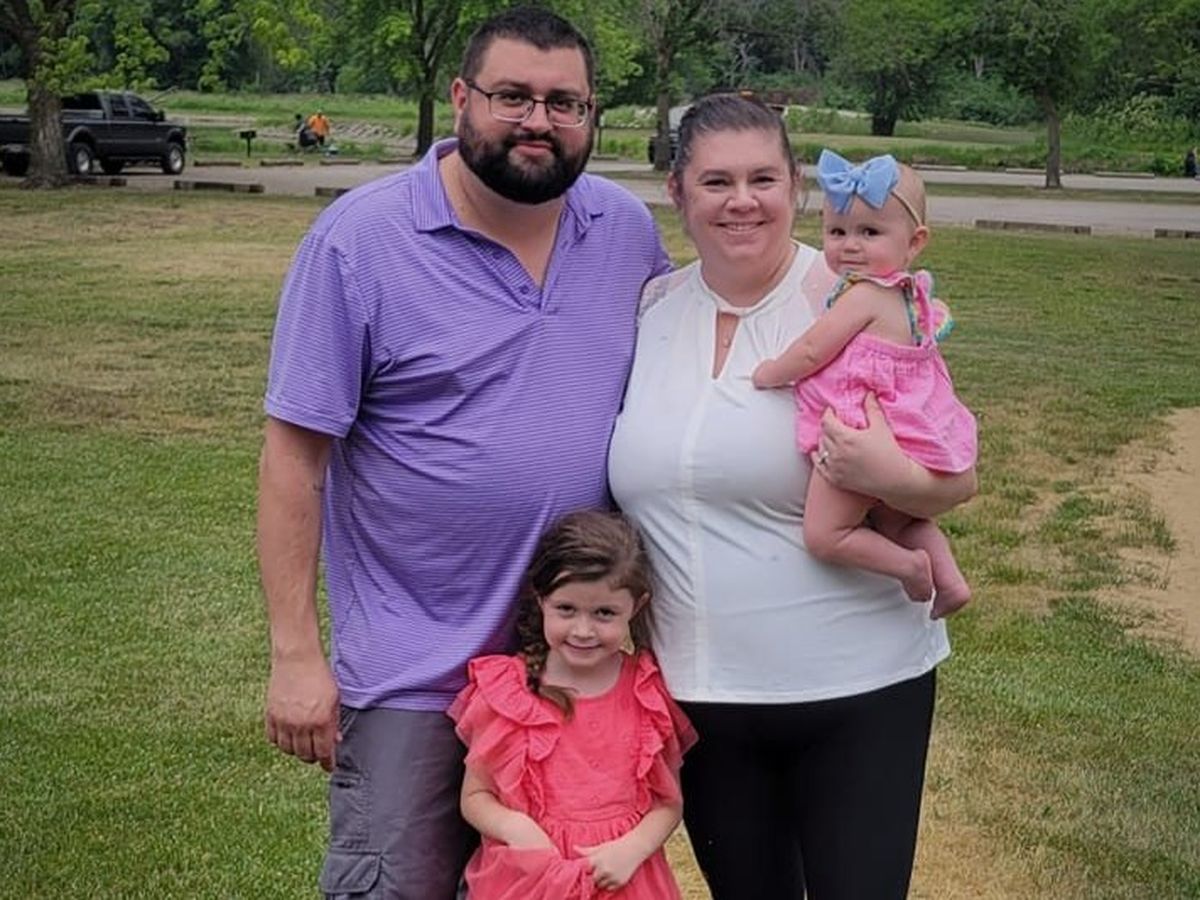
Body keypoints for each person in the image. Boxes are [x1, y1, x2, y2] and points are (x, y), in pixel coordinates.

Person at [256, 7, 670, 898]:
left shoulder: (625, 232)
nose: (538, 121)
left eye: (564, 103)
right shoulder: (360, 243)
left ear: (592, 112)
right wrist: (295, 654)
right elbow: (294, 459)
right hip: (415, 673)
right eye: (512, 96)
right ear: (460, 97)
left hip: (571, 664)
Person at [608, 93, 978, 899]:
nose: (741, 201)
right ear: (677, 192)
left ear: (796, 188)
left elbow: (958, 474)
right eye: (716, 181)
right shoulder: (650, 312)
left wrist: (887, 477)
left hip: (858, 688)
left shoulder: (853, 297)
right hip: (702, 697)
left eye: (762, 179)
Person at [752, 150, 977, 619]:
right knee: (902, 521)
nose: (850, 245)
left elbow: (813, 350)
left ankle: (910, 568)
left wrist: (772, 371)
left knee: (825, 534)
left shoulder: (865, 295)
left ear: (914, 242)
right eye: (837, 232)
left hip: (859, 433)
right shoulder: (912, 297)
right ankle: (951, 581)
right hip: (907, 432)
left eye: (869, 233)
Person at [448, 510, 696, 899]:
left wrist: (632, 849)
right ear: (541, 599)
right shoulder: (510, 693)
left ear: (636, 607)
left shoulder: (645, 692)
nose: (583, 630)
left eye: (604, 613)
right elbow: (475, 797)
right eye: (566, 609)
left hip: (622, 880)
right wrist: (516, 828)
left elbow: (668, 803)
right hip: (532, 878)